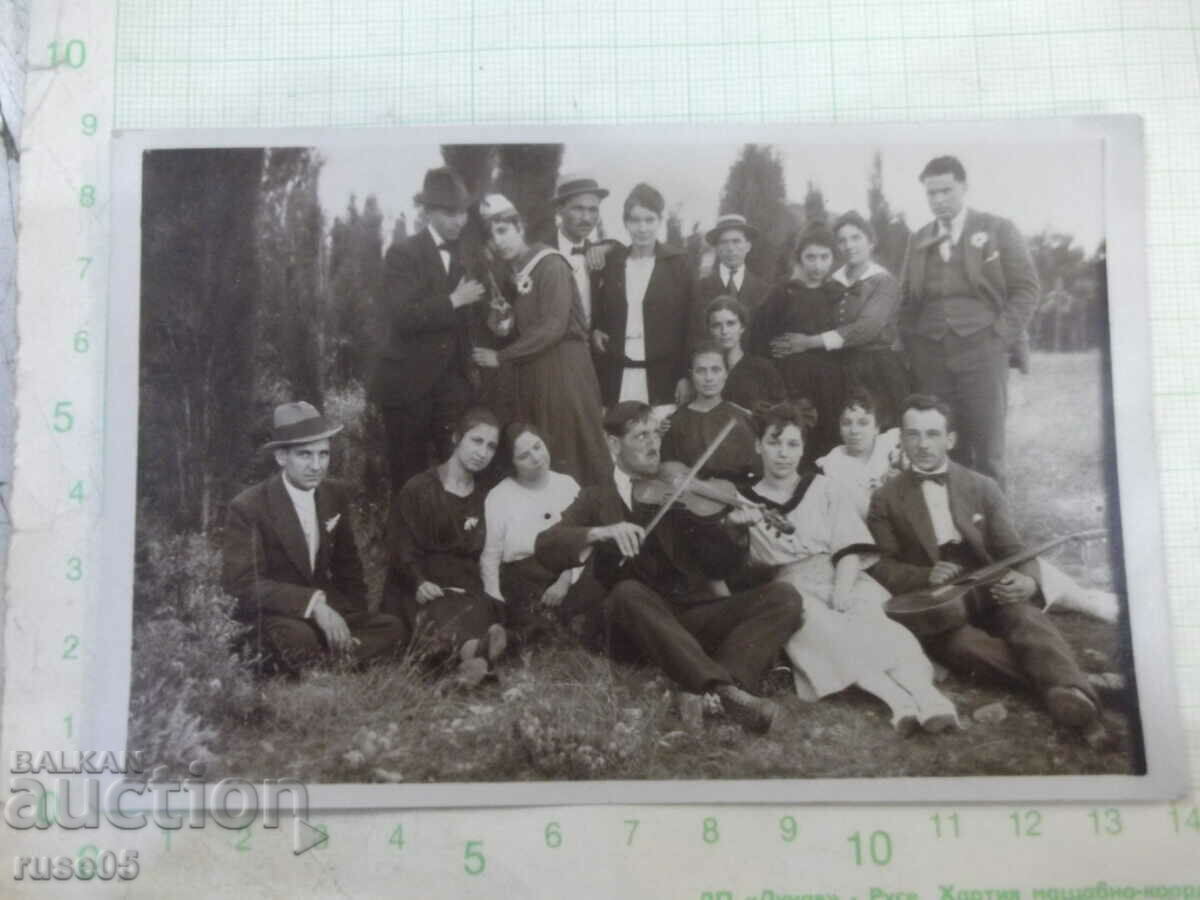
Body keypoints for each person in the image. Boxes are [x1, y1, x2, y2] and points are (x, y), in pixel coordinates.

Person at [534, 401, 806, 733]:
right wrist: (601, 532)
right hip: (633, 626)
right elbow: (546, 545)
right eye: (641, 436)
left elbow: (718, 564)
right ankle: (716, 687)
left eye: (655, 434)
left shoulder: (677, 488)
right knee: (628, 591)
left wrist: (733, 528)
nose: (653, 444)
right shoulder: (596, 498)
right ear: (614, 444)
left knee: (785, 597)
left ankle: (723, 691)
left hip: (689, 615)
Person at [866, 395, 1109, 743]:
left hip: (992, 590)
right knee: (966, 649)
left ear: (950, 439)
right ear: (901, 439)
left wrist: (1027, 579)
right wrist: (923, 576)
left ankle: (1072, 689)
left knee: (1027, 621)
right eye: (913, 434)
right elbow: (881, 566)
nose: (922, 444)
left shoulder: (982, 486)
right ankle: (1075, 687)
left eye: (932, 434)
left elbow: (1014, 549)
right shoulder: (886, 497)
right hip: (939, 607)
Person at [738, 403, 958, 733]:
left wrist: (841, 591)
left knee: (879, 626)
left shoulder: (823, 488)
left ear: (803, 449)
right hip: (790, 593)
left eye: (792, 444)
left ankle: (932, 701)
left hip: (843, 577)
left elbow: (849, 547)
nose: (783, 454)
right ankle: (899, 704)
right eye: (773, 442)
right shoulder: (742, 503)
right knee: (831, 636)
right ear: (758, 445)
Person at [222, 402, 408, 674]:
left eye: (323, 454)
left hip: (326, 607)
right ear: (281, 457)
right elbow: (243, 584)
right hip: (277, 614)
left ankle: (326, 660)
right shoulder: (248, 507)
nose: (316, 466)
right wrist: (313, 605)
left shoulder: (334, 495)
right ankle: (333, 660)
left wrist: (347, 618)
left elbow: (349, 568)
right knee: (298, 639)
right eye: (305, 455)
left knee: (392, 627)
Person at [899, 155, 1040, 486]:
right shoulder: (918, 239)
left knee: (987, 449)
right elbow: (906, 299)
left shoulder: (997, 229)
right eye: (931, 194)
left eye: (946, 191)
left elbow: (1027, 288)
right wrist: (909, 347)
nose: (939, 200)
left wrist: (1000, 336)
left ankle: (993, 533)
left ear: (964, 187)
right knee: (943, 447)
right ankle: (952, 532)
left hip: (983, 350)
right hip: (930, 357)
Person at [470, 194, 612, 487]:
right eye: (491, 236)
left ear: (519, 226)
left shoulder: (549, 263)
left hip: (565, 372)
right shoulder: (510, 274)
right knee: (545, 451)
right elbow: (517, 327)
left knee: (575, 452)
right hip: (535, 372)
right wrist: (501, 321)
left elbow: (554, 326)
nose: (499, 241)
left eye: (504, 230)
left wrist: (502, 356)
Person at [371, 167, 486, 495]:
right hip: (408, 387)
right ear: (428, 212)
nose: (459, 221)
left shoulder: (465, 254)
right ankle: (406, 546)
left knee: (459, 475)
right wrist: (455, 300)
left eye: (463, 212)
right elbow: (402, 316)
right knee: (409, 478)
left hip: (452, 387)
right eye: (450, 213)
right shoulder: (403, 253)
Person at [382, 408, 507, 685]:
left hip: (464, 586)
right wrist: (418, 581)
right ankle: (475, 656)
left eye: (491, 447)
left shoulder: (485, 497)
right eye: (476, 441)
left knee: (477, 610)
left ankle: (471, 666)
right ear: (456, 438)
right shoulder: (419, 488)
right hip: (418, 586)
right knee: (439, 610)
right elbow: (400, 546)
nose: (482, 452)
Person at [481, 423, 582, 646]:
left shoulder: (568, 485)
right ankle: (507, 639)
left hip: (568, 570)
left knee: (589, 603)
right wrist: (494, 597)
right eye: (524, 456)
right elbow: (491, 553)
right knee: (533, 620)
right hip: (524, 575)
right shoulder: (499, 496)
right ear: (512, 463)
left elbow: (583, 541)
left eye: (538, 446)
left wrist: (565, 581)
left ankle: (537, 632)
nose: (536, 458)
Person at [594, 183, 694, 410]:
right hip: (618, 376)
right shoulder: (613, 263)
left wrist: (685, 375)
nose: (642, 228)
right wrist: (597, 328)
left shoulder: (679, 264)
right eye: (635, 220)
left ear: (659, 221)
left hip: (664, 378)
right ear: (625, 223)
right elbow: (602, 308)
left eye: (649, 220)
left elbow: (692, 323)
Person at [749, 225, 845, 458]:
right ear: (799, 258)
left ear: (833, 258)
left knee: (827, 444)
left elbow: (845, 337)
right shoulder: (783, 293)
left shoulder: (836, 294)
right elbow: (757, 339)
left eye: (824, 257)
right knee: (795, 440)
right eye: (810, 257)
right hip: (791, 383)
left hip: (830, 383)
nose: (817, 265)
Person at [660, 341, 760, 487]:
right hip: (691, 502)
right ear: (691, 375)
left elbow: (757, 472)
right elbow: (668, 473)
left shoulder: (741, 418)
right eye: (701, 371)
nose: (709, 378)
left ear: (726, 373)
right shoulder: (675, 421)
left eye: (716, 370)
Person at [691, 214, 770, 337]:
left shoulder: (765, 291)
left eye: (736, 241)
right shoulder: (698, 289)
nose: (731, 248)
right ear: (716, 248)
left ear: (748, 246)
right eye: (724, 242)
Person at [704, 295, 786, 412]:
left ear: (742, 327)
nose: (724, 331)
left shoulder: (762, 368)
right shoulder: (705, 371)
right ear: (709, 330)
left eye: (731, 323)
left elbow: (781, 410)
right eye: (717, 325)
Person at [552, 173, 609, 336]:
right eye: (578, 209)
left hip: (592, 352)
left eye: (593, 210)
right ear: (559, 210)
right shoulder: (541, 251)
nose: (587, 218)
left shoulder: (601, 253)